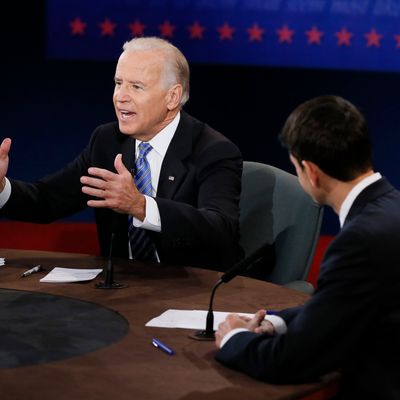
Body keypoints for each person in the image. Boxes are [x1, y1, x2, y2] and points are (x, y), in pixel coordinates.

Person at [0, 36, 243, 270]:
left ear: (172, 96)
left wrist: (141, 206)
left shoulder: (213, 150)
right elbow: (48, 200)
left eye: (136, 87)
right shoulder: (107, 141)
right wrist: (2, 187)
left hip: (195, 291)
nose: (120, 97)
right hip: (123, 290)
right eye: (118, 83)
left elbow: (220, 228)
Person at [215, 95, 400, 398]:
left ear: (311, 172)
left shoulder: (359, 242)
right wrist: (277, 322)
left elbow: (289, 361)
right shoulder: (391, 208)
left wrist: (233, 337)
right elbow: (344, 304)